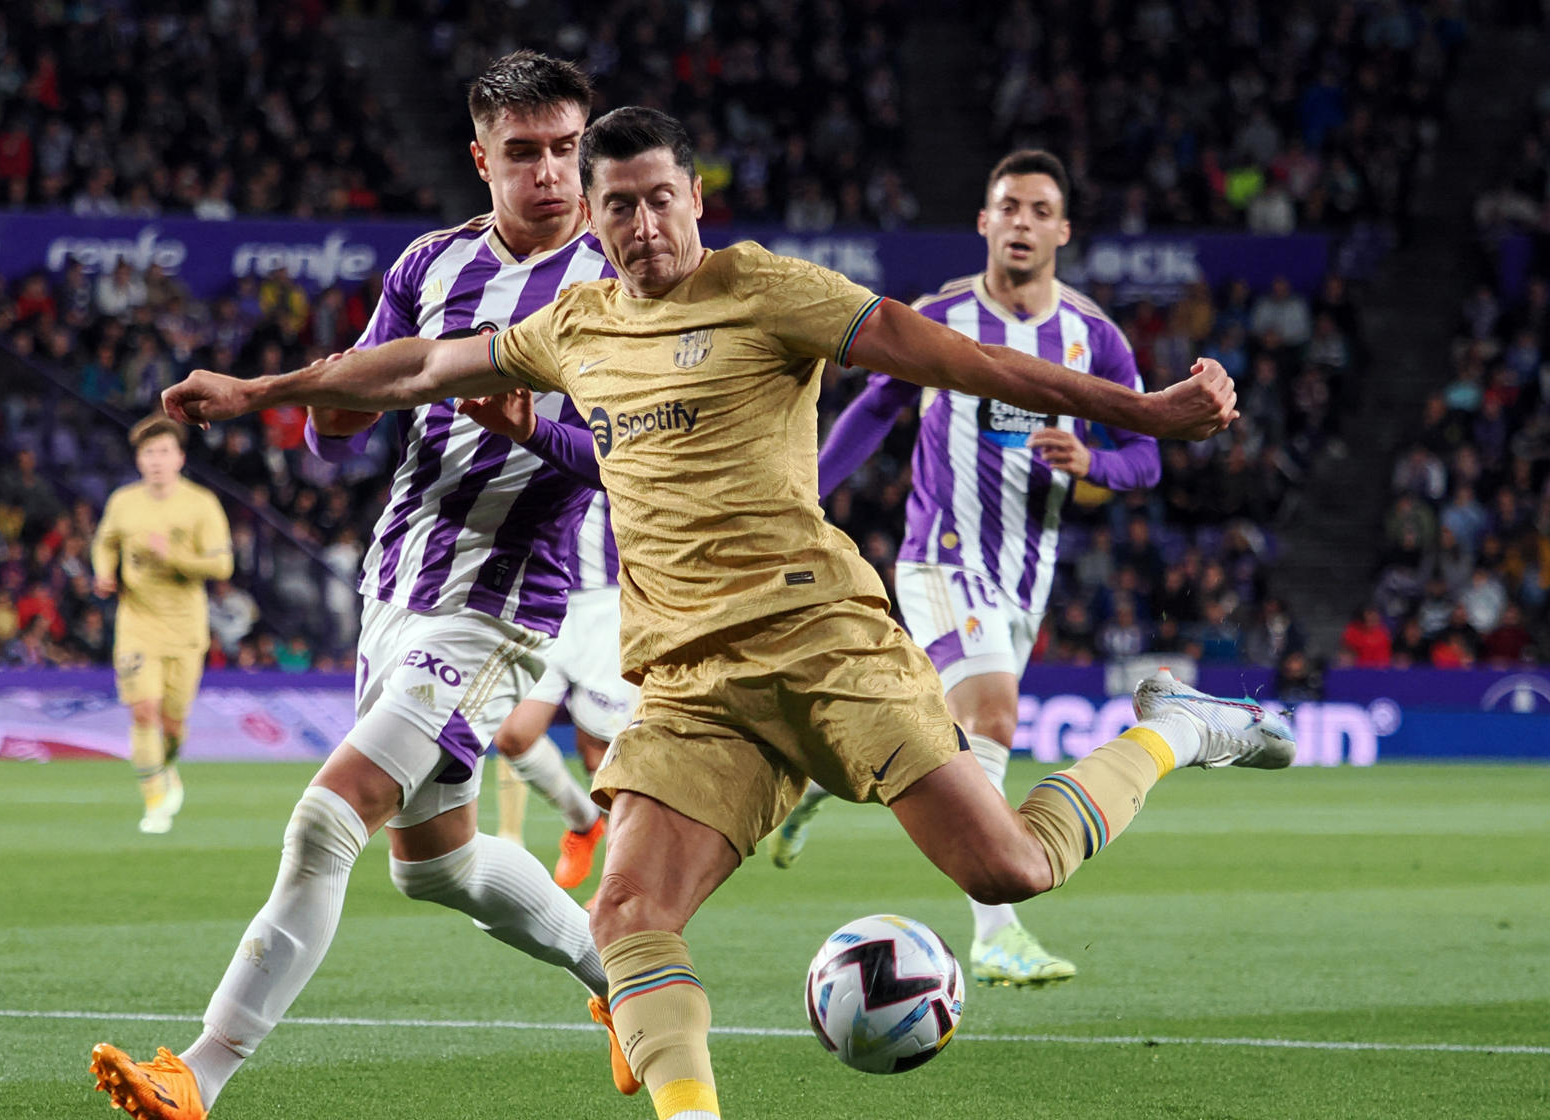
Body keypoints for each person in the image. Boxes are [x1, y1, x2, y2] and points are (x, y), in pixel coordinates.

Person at [156, 107, 1293, 1120]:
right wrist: (259, 391)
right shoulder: (576, 324)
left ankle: (1178, 726)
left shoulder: (772, 289)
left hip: (828, 643)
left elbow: (967, 361)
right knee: (630, 911)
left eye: (660, 198)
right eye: (620, 207)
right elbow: (410, 369)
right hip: (693, 683)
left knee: (1007, 872)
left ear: (695, 198)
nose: (644, 222)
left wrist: (1143, 411)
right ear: (594, 224)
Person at [91, 52, 621, 1120]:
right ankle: (628, 980)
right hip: (400, 589)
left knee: (326, 821)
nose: (554, 174)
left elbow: (640, 459)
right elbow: (355, 408)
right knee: (439, 865)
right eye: (526, 153)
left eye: (568, 148)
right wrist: (318, 413)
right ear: (482, 159)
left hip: (500, 605)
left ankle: (198, 1072)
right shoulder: (428, 266)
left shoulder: (621, 283)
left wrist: (538, 431)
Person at [770, 149, 1161, 987]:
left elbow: (1147, 460)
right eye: (1007, 207)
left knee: (945, 730)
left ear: (1062, 229)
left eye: (1038, 210)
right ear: (984, 222)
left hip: (1028, 574)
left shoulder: (1093, 337)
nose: (1021, 222)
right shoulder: (941, 316)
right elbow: (873, 409)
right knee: (991, 719)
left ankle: (826, 774)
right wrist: (804, 497)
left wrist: (1093, 465)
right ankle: (994, 931)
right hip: (942, 558)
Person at [91, 415, 233, 834]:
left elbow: (222, 565)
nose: (156, 460)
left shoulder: (201, 504)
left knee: (172, 723)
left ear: (180, 458)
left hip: (186, 627)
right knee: (143, 711)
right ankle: (154, 799)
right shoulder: (123, 502)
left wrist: (170, 557)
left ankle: (167, 764)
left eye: (164, 452)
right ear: (139, 460)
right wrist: (104, 571)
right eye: (149, 453)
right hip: (136, 621)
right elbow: (105, 540)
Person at [490, 491, 633, 890]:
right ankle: (583, 823)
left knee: (600, 760)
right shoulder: (534, 432)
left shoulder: (618, 432)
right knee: (514, 737)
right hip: (543, 599)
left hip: (606, 606)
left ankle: (619, 888)